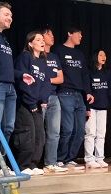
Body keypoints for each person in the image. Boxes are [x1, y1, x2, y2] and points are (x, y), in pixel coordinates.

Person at [0, 2, 35, 176]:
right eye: (6, 14)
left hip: (10, 87)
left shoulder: (4, 38)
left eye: (11, 15)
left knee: (8, 128)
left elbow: (5, 66)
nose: (10, 18)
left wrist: (21, 75)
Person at [52, 26, 94, 170]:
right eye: (78, 33)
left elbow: (84, 76)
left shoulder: (80, 54)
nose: (81, 36)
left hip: (79, 96)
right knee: (68, 129)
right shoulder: (58, 50)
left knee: (80, 130)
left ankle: (70, 158)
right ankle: (60, 158)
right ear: (69, 33)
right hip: (65, 93)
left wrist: (88, 92)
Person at [11, 31, 47, 175]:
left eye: (42, 39)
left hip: (37, 105)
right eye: (38, 39)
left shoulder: (43, 63)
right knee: (28, 134)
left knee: (40, 135)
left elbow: (44, 84)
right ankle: (23, 165)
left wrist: (43, 100)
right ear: (30, 43)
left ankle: (32, 165)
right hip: (25, 103)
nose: (42, 42)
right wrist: (31, 103)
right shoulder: (25, 57)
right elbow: (23, 82)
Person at [84, 49, 111, 168]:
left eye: (105, 55)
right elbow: (86, 89)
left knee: (101, 134)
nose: (104, 57)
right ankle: (89, 158)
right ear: (95, 56)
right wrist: (87, 106)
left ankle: (99, 158)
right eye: (101, 55)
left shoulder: (108, 73)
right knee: (90, 133)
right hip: (91, 107)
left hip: (103, 107)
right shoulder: (89, 71)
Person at [41, 27, 68, 172]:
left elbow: (60, 78)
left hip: (54, 96)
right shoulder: (37, 55)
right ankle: (33, 163)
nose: (52, 36)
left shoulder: (54, 57)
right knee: (39, 132)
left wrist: (47, 79)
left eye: (52, 33)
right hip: (40, 96)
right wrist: (48, 80)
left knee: (54, 132)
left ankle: (51, 162)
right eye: (48, 34)